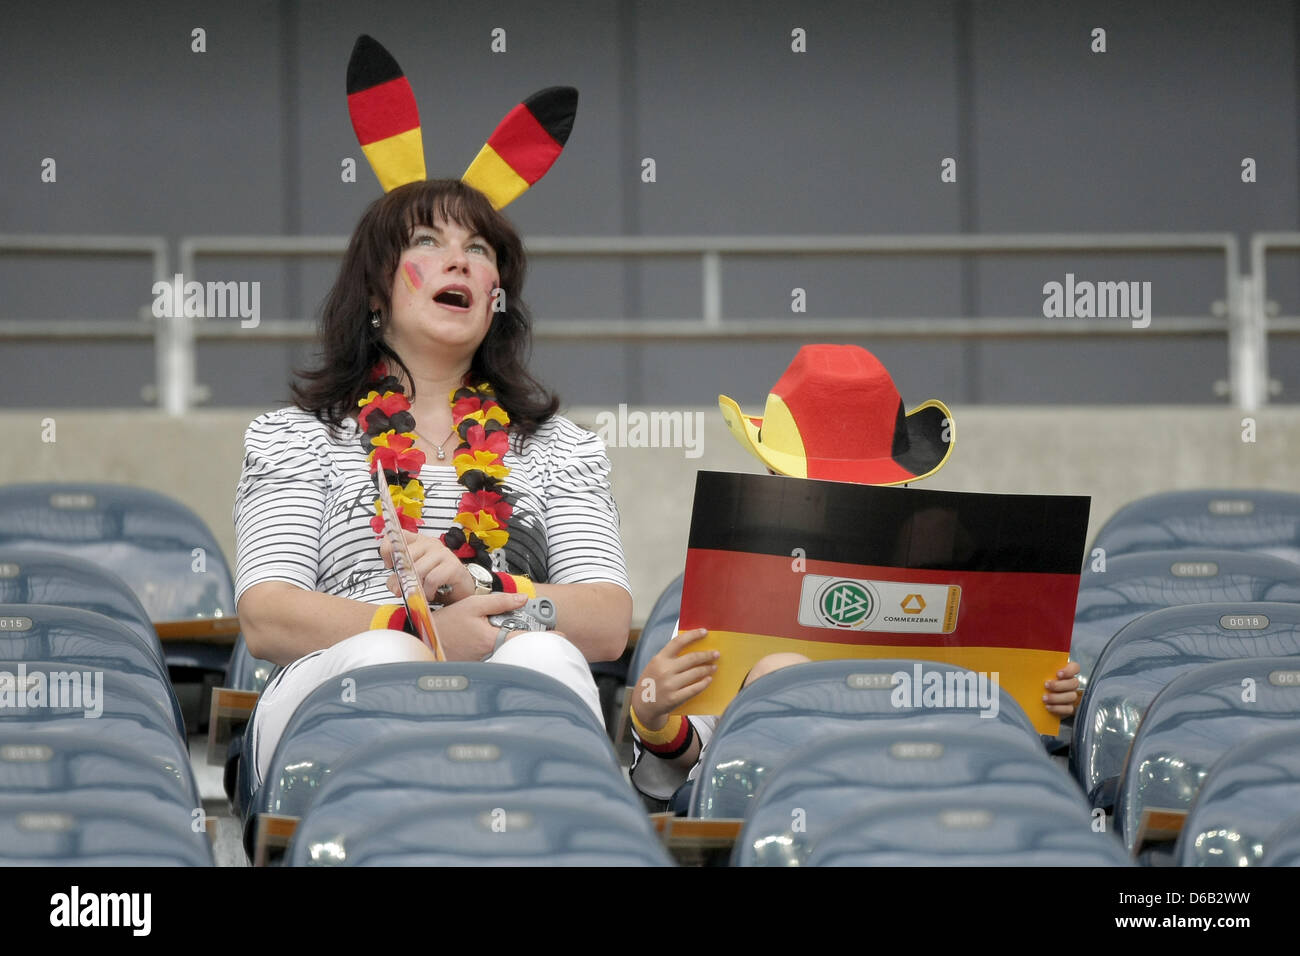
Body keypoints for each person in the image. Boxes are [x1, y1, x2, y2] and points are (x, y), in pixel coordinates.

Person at [234, 37, 630, 788]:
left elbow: (607, 619)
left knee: (544, 653)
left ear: (496, 296)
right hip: (336, 687)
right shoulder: (296, 437)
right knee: (394, 659)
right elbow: (268, 616)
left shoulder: (559, 446)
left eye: (479, 250)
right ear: (376, 291)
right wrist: (414, 626)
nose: (458, 261)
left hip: (504, 674)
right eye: (426, 241)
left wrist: (482, 592)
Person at [628, 344, 1083, 806]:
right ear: (770, 475)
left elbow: (997, 732)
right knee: (781, 672)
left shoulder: (964, 575)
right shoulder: (733, 582)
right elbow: (706, 752)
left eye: (875, 492)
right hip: (784, 810)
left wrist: (1050, 703)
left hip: (936, 799)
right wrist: (653, 715)